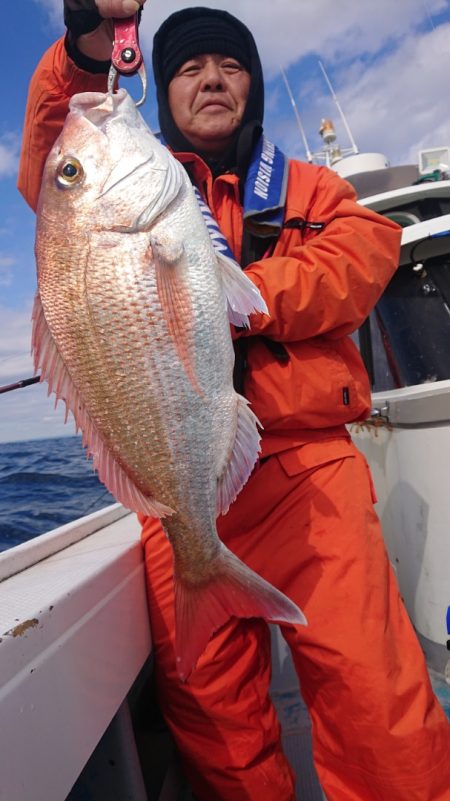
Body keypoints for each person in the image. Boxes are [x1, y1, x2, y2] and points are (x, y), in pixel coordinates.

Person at [18, 2, 450, 800]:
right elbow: (54, 154)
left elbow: (363, 255)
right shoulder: (133, 177)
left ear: (252, 84)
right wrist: (85, 48)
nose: (213, 80)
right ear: (160, 88)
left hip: (306, 477)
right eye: (189, 68)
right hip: (174, 491)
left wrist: (240, 295)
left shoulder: (309, 187)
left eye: (231, 65)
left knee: (373, 702)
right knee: (217, 720)